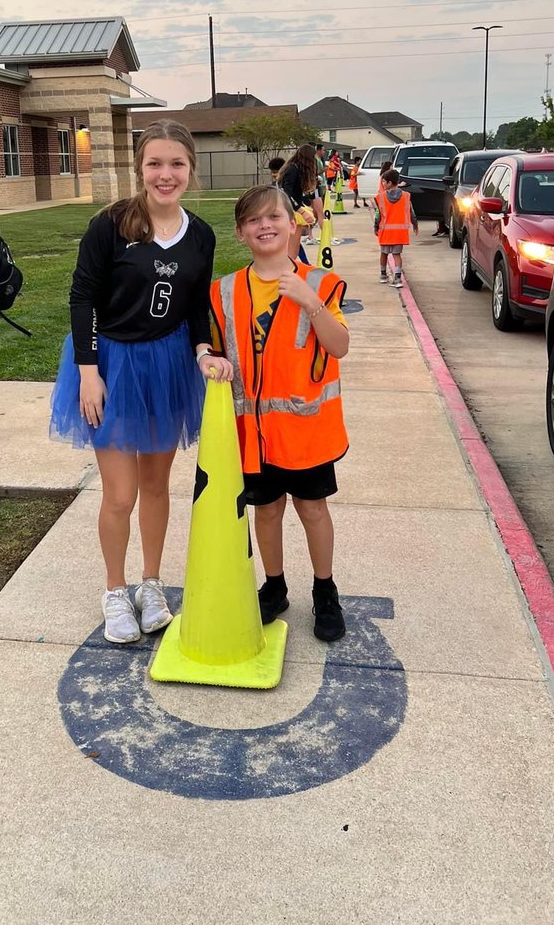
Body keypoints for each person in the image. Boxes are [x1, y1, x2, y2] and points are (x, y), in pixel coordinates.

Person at [50, 121, 233, 646]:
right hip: (110, 363)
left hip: (167, 364)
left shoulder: (200, 233)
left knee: (156, 486)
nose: (165, 174)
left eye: (176, 163)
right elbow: (82, 295)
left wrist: (202, 349)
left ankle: (152, 585)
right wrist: (89, 371)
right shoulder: (111, 224)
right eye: (155, 163)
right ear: (140, 168)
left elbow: (196, 303)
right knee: (120, 493)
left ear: (191, 169)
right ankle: (114, 590)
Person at [210, 185, 350, 641]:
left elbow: (339, 346)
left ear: (295, 224)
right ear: (241, 233)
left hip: (306, 430)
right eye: (253, 220)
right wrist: (206, 359)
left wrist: (310, 304)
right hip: (255, 434)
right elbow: (214, 349)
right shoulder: (224, 291)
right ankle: (274, 586)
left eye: (274, 217)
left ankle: (325, 592)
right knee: (266, 513)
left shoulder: (320, 284)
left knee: (312, 509)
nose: (264, 226)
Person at [374, 167, 418, 288]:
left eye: (384, 181)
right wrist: (415, 223)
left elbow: (378, 215)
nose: (382, 183)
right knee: (397, 255)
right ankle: (397, 279)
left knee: (384, 254)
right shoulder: (406, 196)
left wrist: (375, 226)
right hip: (400, 233)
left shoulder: (381, 197)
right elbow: (411, 212)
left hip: (386, 232)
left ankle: (383, 276)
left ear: (389, 182)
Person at [278, 143, 318, 260]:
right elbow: (286, 194)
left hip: (291, 209)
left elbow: (294, 193)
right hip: (289, 211)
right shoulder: (292, 169)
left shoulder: (294, 168)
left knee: (293, 250)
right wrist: (302, 211)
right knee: (291, 252)